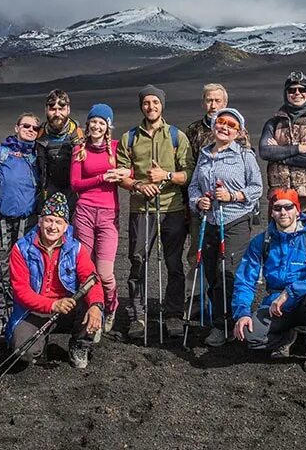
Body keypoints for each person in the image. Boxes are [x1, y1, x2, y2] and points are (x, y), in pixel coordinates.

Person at [117, 84, 194, 340]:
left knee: (173, 263)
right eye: (147, 103)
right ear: (141, 106)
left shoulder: (176, 137)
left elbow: (189, 173)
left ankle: (173, 314)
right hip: (142, 209)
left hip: (172, 208)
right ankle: (137, 315)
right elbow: (121, 174)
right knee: (138, 262)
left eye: (155, 102)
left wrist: (166, 175)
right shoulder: (129, 138)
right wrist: (139, 185)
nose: (151, 107)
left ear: (162, 105)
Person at [232, 189, 306, 374]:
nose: (283, 212)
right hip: (277, 307)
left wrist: (290, 292)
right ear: (272, 212)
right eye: (277, 208)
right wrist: (242, 312)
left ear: (298, 210)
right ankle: (286, 337)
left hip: (305, 302)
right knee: (248, 335)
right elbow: (246, 279)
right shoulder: (261, 242)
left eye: (289, 207)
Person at [187, 107, 263, 346]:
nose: (225, 127)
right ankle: (219, 317)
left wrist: (232, 195)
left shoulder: (244, 155)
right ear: (214, 125)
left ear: (238, 131)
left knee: (227, 273)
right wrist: (199, 201)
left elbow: (257, 187)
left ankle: (228, 323)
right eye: (221, 122)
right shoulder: (204, 154)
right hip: (209, 221)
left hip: (235, 221)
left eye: (231, 125)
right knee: (210, 272)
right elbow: (193, 187)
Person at [6, 193, 105, 369]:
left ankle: (80, 343)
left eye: (58, 222)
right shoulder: (21, 249)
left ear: (66, 226)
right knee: (23, 350)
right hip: (34, 310)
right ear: (39, 221)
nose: (53, 226)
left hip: (69, 307)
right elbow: (21, 291)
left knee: (92, 307)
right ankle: (39, 342)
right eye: (48, 220)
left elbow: (91, 279)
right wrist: (52, 305)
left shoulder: (76, 249)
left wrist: (96, 306)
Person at [70, 103, 128, 336]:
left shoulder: (115, 149)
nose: (96, 126)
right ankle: (92, 311)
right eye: (93, 121)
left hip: (108, 214)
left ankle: (111, 305)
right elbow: (76, 184)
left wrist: (123, 173)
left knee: (104, 272)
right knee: (86, 268)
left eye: (101, 123)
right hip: (84, 212)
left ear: (108, 126)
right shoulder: (79, 150)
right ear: (88, 124)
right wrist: (102, 177)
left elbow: (130, 171)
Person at [0, 113, 41, 334]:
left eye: (35, 128)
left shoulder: (37, 157)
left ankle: (21, 314)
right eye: (26, 126)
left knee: (24, 269)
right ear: (16, 127)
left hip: (27, 223)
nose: (31, 130)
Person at [259, 71, 306, 239]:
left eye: (302, 89)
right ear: (286, 94)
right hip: (281, 195)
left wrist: (280, 154)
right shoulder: (273, 123)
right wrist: (299, 148)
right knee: (278, 240)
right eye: (292, 90)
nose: (297, 93)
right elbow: (265, 151)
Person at [184, 83, 251, 267]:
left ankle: (224, 293)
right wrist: (195, 200)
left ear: (225, 102)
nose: (213, 105)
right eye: (209, 100)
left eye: (217, 101)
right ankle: (198, 294)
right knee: (197, 252)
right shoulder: (193, 130)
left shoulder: (238, 131)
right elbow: (189, 166)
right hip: (202, 203)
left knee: (228, 257)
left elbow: (247, 168)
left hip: (230, 208)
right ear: (203, 103)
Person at [37, 89, 83, 217]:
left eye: (61, 108)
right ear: (46, 110)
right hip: (46, 199)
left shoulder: (81, 137)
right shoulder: (37, 136)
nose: (57, 113)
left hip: (75, 199)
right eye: (52, 109)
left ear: (68, 110)